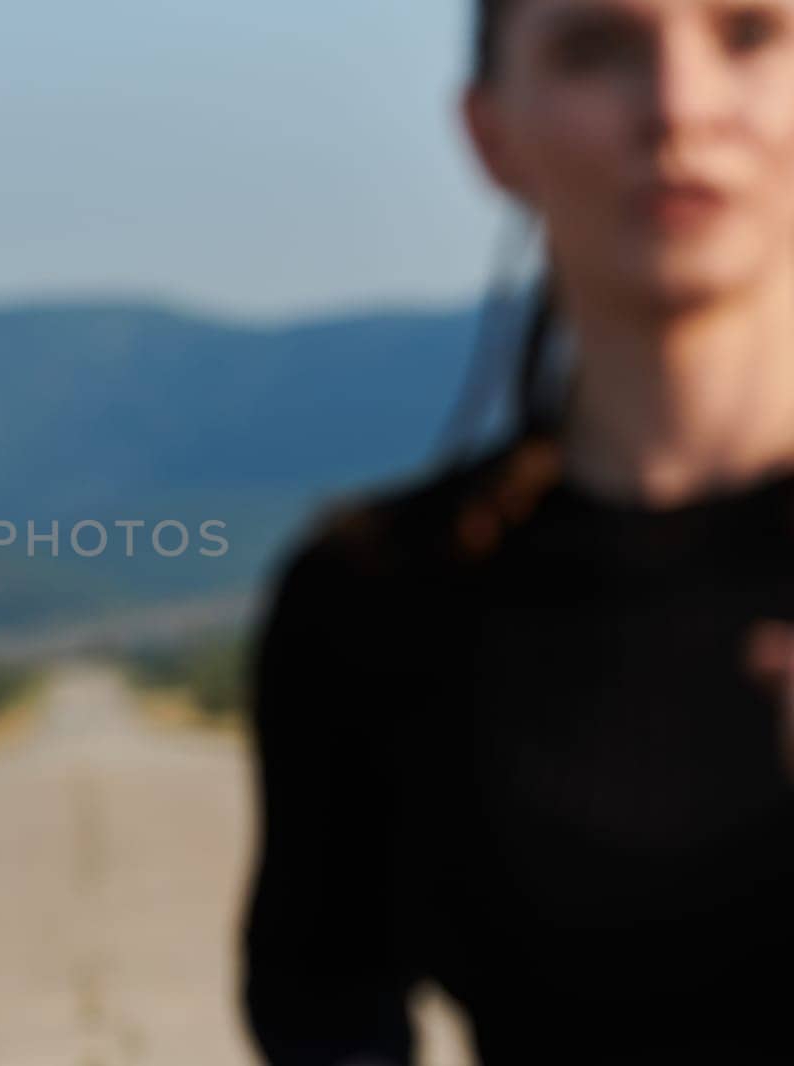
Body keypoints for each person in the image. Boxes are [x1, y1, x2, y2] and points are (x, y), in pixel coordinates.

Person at [241, 2, 794, 1063]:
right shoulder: (371, 596)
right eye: (598, 47)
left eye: (749, 34)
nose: (680, 109)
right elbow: (320, 999)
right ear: (492, 133)